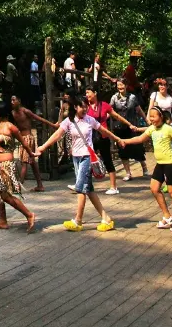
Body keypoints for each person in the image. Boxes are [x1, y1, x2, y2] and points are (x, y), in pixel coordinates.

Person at [35, 96, 120, 232]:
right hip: (76, 157)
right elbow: (57, 135)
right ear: (75, 107)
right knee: (89, 190)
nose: (85, 109)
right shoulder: (69, 121)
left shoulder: (90, 120)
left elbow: (103, 130)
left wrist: (117, 139)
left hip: (87, 157)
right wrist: (42, 147)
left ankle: (78, 221)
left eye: (86, 106)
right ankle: (106, 218)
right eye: (82, 106)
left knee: (80, 188)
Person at [119, 106, 172, 233]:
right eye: (150, 116)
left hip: (171, 163)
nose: (151, 119)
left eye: (154, 116)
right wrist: (125, 141)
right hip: (160, 164)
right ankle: (168, 217)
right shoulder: (152, 129)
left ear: (161, 117)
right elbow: (139, 139)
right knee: (154, 189)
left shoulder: (168, 129)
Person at [0, 101, 38, 232]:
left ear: (1, 113)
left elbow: (23, 142)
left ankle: (29, 215)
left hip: (6, 166)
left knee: (6, 196)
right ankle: (3, 221)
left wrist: (31, 154)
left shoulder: (11, 127)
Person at [84, 85, 129, 195]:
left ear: (95, 93)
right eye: (86, 93)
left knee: (107, 160)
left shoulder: (104, 105)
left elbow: (116, 116)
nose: (87, 95)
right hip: (90, 138)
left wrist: (129, 124)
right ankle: (84, 185)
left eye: (88, 92)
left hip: (103, 137)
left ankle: (113, 187)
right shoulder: (85, 106)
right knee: (87, 161)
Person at [9, 95, 56, 192]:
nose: (12, 102)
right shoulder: (12, 113)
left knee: (24, 163)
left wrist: (53, 125)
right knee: (32, 163)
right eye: (11, 100)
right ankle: (40, 185)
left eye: (14, 100)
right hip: (21, 139)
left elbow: (39, 118)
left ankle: (18, 186)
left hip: (28, 139)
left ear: (19, 100)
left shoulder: (25, 111)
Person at [109, 80, 148, 179]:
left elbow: (139, 110)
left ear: (126, 85)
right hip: (119, 127)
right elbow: (109, 111)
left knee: (137, 147)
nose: (120, 87)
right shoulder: (114, 98)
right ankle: (128, 173)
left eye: (121, 85)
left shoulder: (132, 97)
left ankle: (145, 168)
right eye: (118, 85)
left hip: (132, 126)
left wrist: (147, 120)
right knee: (122, 150)